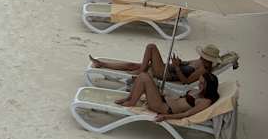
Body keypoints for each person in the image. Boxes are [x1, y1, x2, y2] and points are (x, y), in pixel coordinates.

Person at [89, 43, 220, 88]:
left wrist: (177, 67)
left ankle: (141, 71)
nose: (201, 56)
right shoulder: (199, 61)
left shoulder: (203, 70)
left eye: (203, 55)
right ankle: (101, 63)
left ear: (208, 59)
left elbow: (186, 81)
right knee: (131, 65)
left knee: (151, 47)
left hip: (165, 74)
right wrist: (179, 62)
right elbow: (185, 64)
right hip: (167, 68)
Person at [116, 70, 219, 122]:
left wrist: (165, 117)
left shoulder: (205, 101)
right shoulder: (199, 92)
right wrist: (166, 94)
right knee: (144, 74)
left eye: (202, 84)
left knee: (144, 77)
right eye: (199, 82)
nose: (199, 85)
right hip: (163, 100)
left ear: (209, 87)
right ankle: (129, 98)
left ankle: (131, 102)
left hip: (164, 108)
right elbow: (180, 99)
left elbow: (187, 114)